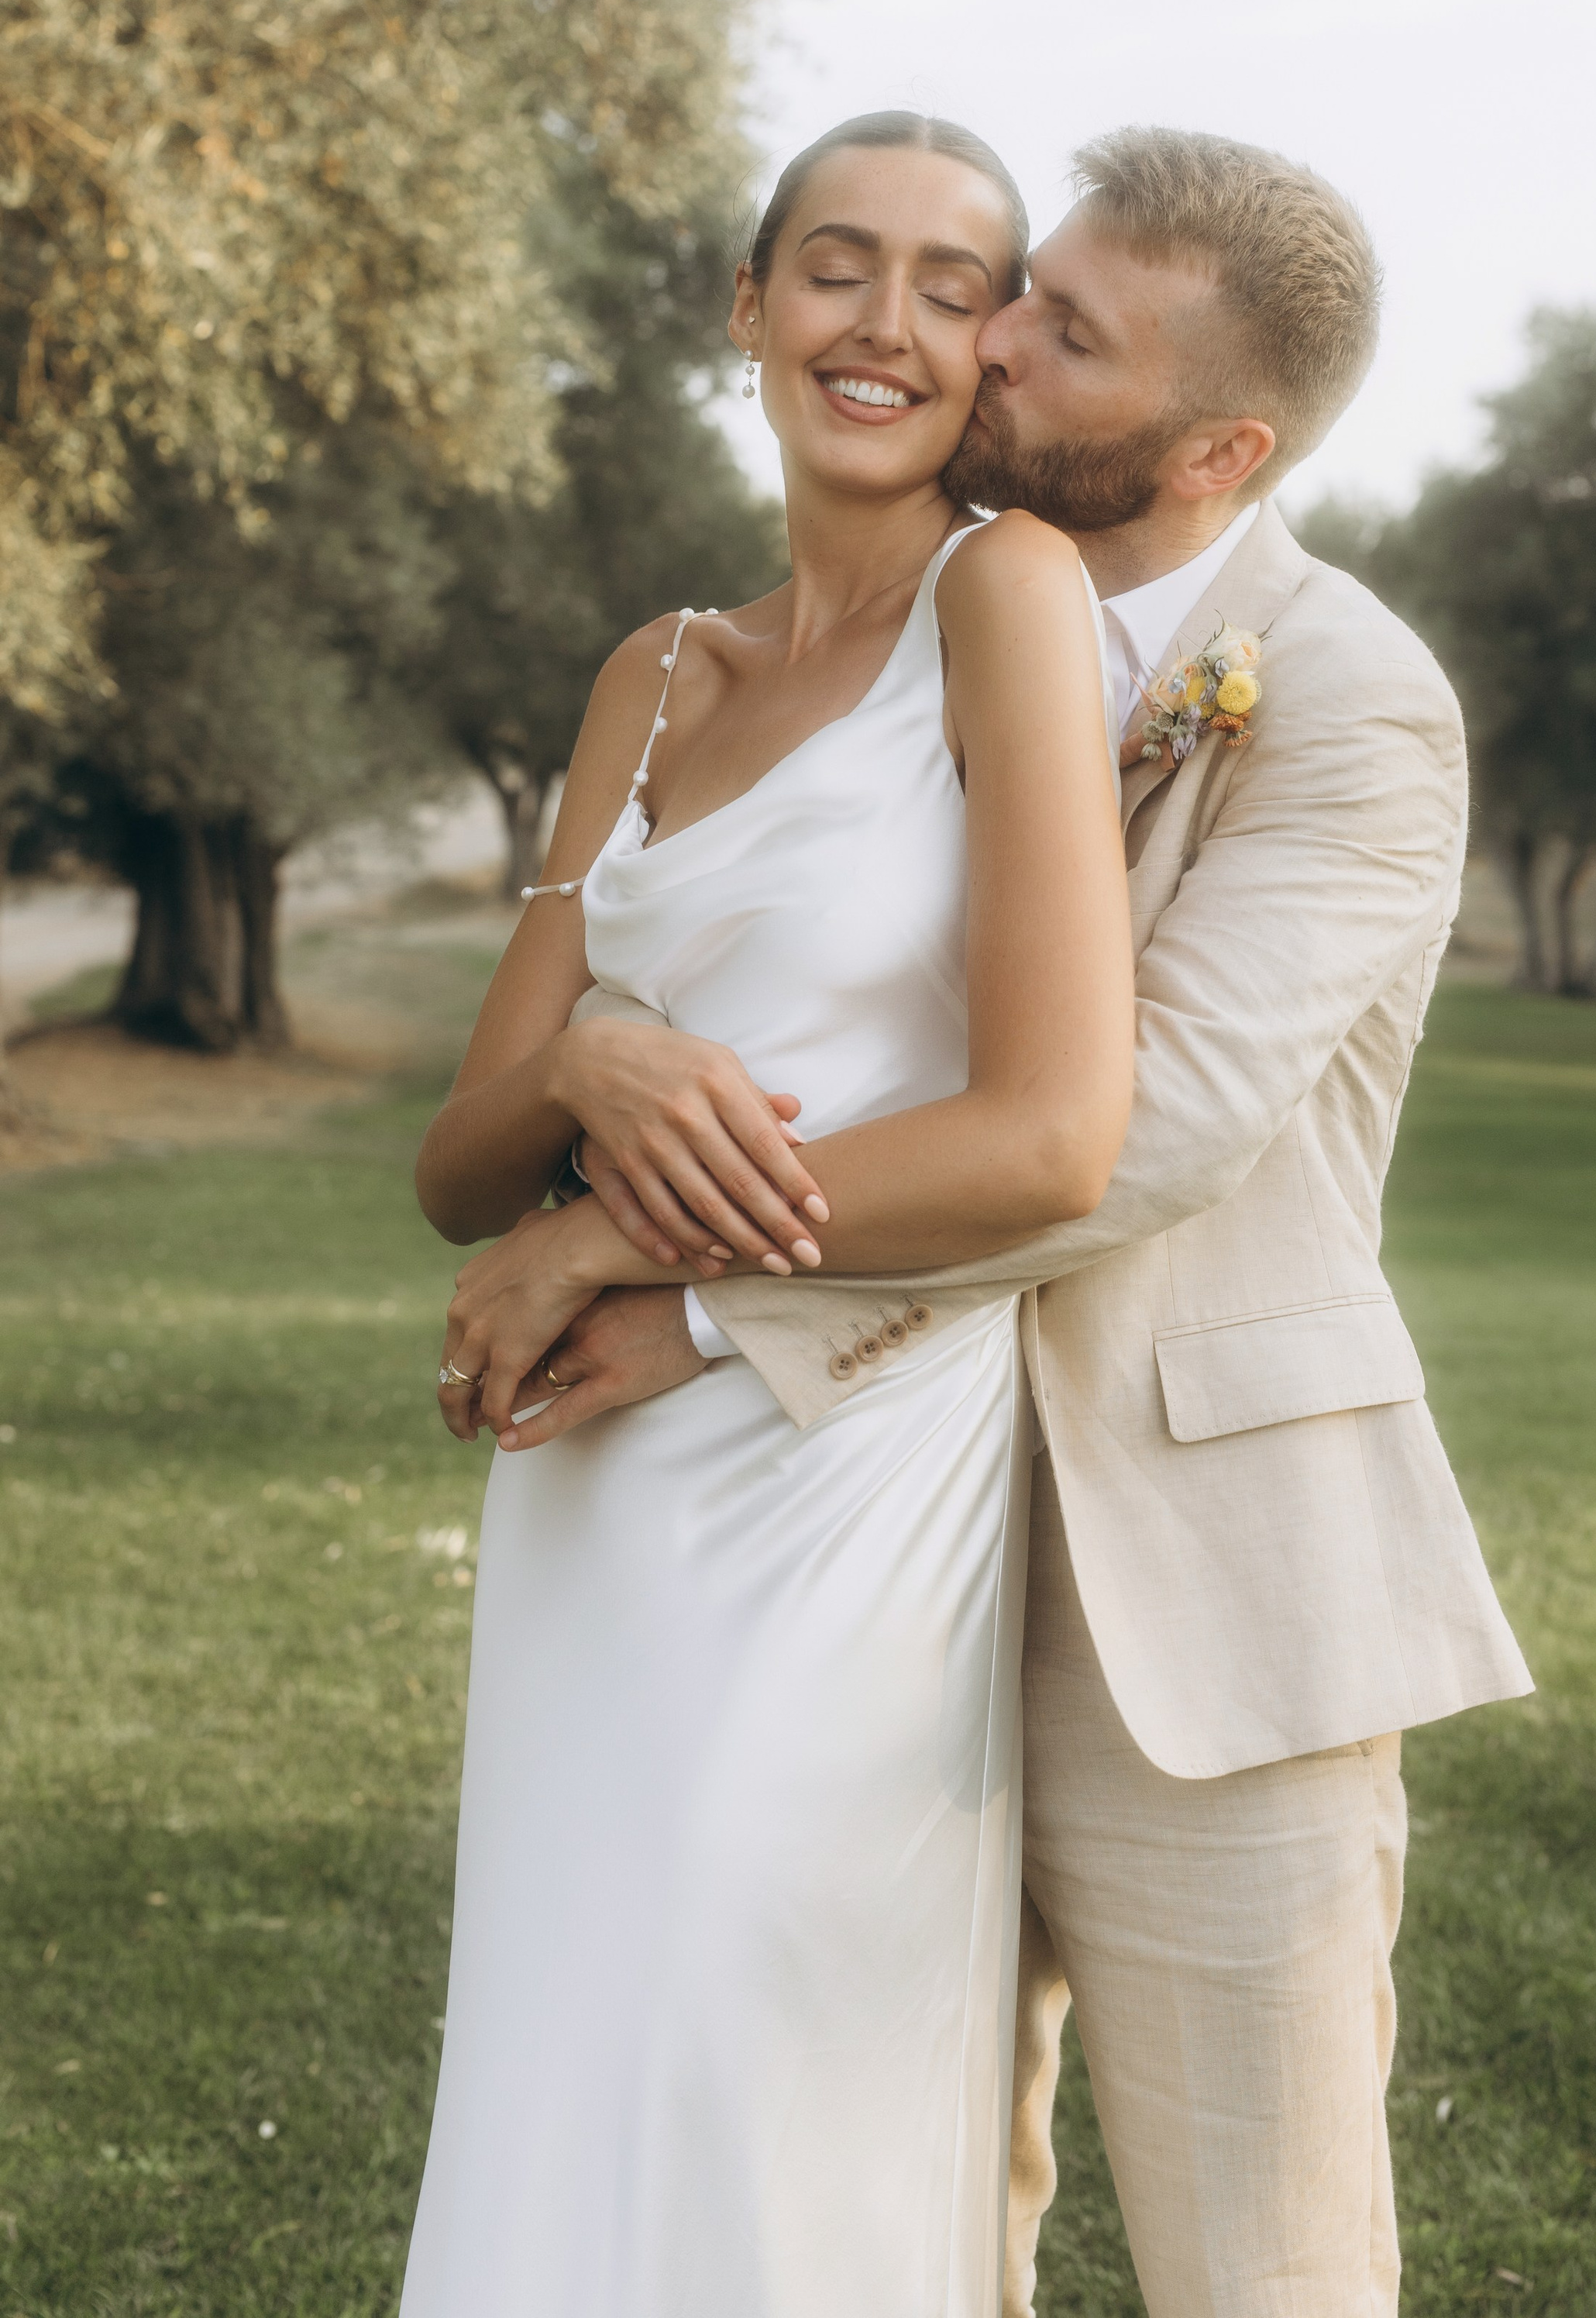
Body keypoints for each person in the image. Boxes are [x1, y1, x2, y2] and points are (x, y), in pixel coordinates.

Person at [488, 128, 1534, 2318]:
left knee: (1270, 2268)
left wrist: (661, 1285)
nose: (987, 344)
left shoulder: (1350, 697)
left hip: (1198, 1606)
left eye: (1061, 331)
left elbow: (1143, 1135)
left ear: (1216, 441)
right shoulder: (907, 629)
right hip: (860, 1580)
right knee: (905, 2226)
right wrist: (586, 1056)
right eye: (1016, 289)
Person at [398, 112, 1135, 2318]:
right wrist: (588, 1069)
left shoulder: (1003, 598)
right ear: (748, 303)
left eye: (948, 280)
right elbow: (460, 1166)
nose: (886, 323)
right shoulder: (654, 672)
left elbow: (1048, 1138)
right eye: (836, 264)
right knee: (577, 2039)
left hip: (844, 1466)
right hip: (592, 1512)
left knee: (760, 2033)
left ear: (993, 337)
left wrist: (621, 1233)